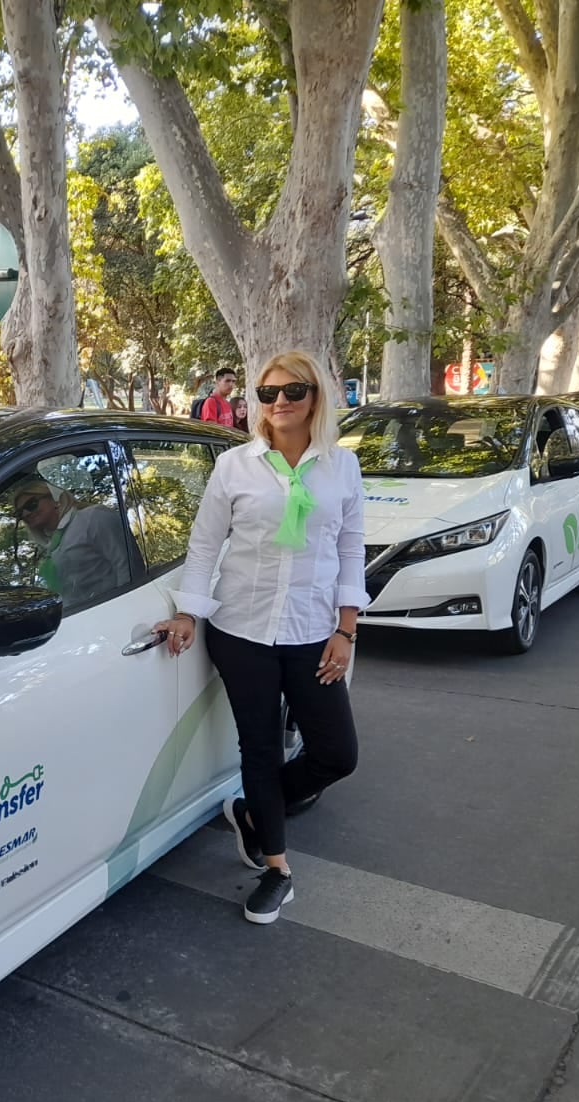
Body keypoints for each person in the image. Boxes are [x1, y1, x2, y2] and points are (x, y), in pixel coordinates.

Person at [153, 349, 366, 926]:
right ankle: (277, 868)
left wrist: (346, 629)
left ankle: (254, 811)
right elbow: (204, 546)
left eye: (292, 392)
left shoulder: (341, 469)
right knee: (260, 747)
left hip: (311, 631)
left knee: (337, 753)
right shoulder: (236, 467)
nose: (278, 404)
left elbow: (350, 551)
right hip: (241, 630)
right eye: (267, 394)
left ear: (316, 396)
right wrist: (190, 613)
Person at [10, 475, 131, 612]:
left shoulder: (92, 517)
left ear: (55, 499)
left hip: (115, 612)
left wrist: (126, 609)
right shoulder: (51, 546)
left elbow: (127, 564)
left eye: (31, 505)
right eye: (20, 513)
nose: (26, 514)